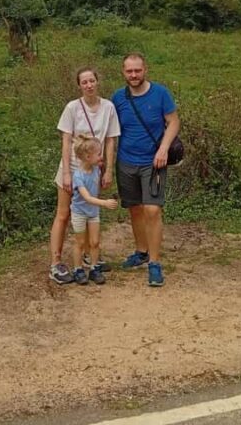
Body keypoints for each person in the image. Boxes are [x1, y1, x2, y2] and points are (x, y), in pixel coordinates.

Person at [112, 52, 180, 287]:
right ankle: (141, 251)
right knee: (135, 208)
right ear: (123, 72)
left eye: (137, 70)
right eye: (129, 71)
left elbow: (173, 121)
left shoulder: (160, 93)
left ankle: (155, 262)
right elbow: (111, 130)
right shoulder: (118, 98)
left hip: (154, 161)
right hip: (126, 161)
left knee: (152, 210)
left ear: (145, 69)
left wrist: (163, 149)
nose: (134, 75)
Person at [49, 66, 120, 284]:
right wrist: (68, 174)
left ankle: (89, 256)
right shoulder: (72, 107)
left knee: (90, 210)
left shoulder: (108, 107)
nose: (89, 85)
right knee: (64, 214)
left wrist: (108, 169)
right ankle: (56, 263)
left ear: (98, 82)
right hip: (71, 167)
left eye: (92, 81)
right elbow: (66, 140)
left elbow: (110, 139)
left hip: (94, 168)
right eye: (84, 82)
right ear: (79, 85)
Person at [69, 134, 118, 285]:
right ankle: (77, 269)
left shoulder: (97, 169)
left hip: (93, 213)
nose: (101, 156)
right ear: (87, 157)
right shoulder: (78, 175)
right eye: (98, 154)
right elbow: (87, 197)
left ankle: (94, 269)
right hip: (79, 212)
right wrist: (104, 203)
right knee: (80, 242)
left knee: (95, 242)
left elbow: (95, 190)